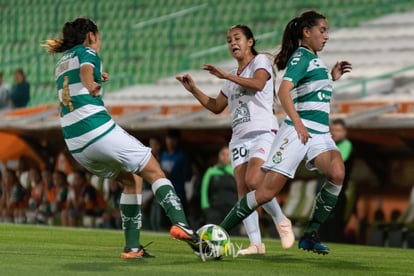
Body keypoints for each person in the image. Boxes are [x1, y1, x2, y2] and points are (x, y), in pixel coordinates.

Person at [43, 17, 203, 259]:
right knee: (154, 170)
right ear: (91, 36)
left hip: (75, 144)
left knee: (131, 181)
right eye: (99, 36)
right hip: (96, 130)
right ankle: (181, 223)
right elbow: (86, 72)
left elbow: (75, 80)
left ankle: (132, 247)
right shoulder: (88, 51)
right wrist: (91, 84)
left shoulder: (62, 62)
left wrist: (96, 78)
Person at [216, 10, 352, 255]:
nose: (327, 36)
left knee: (337, 172)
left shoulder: (314, 59)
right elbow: (284, 91)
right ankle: (219, 232)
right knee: (264, 191)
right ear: (306, 32)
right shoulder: (301, 56)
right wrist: (298, 123)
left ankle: (310, 235)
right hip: (298, 131)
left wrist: (332, 78)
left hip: (320, 132)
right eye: (322, 30)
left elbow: (310, 91)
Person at [176, 24, 294, 254]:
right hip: (239, 138)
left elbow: (259, 84)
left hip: (263, 132)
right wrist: (194, 90)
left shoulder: (259, 63)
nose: (232, 43)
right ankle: (256, 243)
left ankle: (281, 220)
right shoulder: (231, 79)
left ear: (250, 41)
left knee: (254, 181)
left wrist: (225, 74)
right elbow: (216, 107)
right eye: (229, 39)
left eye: (237, 38)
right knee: (242, 190)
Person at [318, 118, 353, 243]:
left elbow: (334, 165)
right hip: (323, 192)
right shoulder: (328, 146)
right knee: (321, 226)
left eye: (338, 130)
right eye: (332, 130)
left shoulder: (346, 145)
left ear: (345, 132)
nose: (334, 133)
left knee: (334, 227)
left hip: (337, 194)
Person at [200, 146, 239, 235]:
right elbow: (204, 190)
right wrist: (205, 207)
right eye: (223, 154)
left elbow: (241, 189)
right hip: (215, 208)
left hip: (232, 209)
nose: (225, 157)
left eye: (228, 154)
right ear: (218, 156)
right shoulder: (211, 171)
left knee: (233, 234)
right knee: (213, 234)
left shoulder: (235, 172)